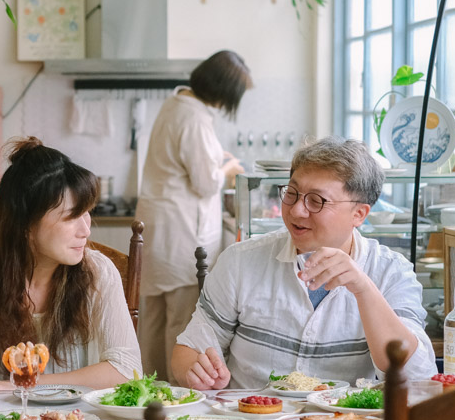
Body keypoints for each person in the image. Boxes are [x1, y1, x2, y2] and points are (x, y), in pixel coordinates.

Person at [170, 136, 437, 390]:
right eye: (292, 193)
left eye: (316, 201)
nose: (297, 210)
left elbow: (417, 377)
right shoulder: (240, 261)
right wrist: (196, 371)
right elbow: (187, 351)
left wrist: (363, 289)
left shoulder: (391, 272)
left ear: (359, 214)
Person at [0, 137, 143, 392]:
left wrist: (24, 384)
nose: (86, 229)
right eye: (71, 217)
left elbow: (128, 370)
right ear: (26, 226)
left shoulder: (98, 272)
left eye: (87, 212)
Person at [135, 50, 253, 380]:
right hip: (182, 231)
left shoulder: (176, 103)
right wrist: (228, 166)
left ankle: (146, 392)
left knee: (152, 319)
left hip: (159, 227)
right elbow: (205, 183)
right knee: (180, 318)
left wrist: (217, 161)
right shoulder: (195, 118)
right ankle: (174, 396)